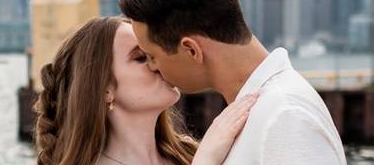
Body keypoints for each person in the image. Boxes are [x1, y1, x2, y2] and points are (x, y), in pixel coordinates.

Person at [119, 0, 347, 165]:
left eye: (152, 56)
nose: (152, 67)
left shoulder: (285, 117)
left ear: (191, 50)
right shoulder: (263, 111)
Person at [34, 16, 257, 165]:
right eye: (141, 58)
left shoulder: (191, 153)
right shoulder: (207, 153)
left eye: (156, 53)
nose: (158, 64)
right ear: (104, 89)